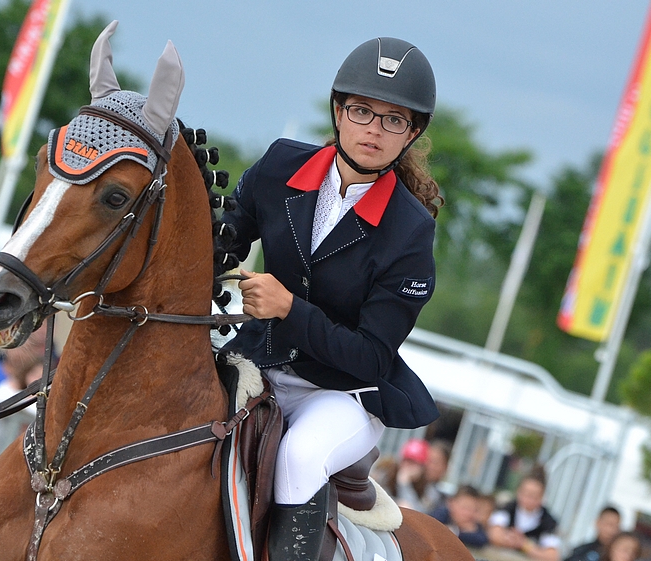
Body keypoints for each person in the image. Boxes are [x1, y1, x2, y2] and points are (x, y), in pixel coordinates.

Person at [220, 37, 441, 560]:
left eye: (394, 120)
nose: (374, 129)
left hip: (342, 394)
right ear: (339, 112)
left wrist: (290, 310)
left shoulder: (410, 233)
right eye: (363, 111)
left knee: (300, 456)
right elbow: (222, 239)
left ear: (410, 134)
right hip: (256, 358)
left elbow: (370, 357)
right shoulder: (279, 166)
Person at [487, 470, 562, 561]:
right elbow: (494, 535)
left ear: (542, 497)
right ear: (519, 491)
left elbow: (552, 556)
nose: (528, 499)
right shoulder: (507, 509)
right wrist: (510, 541)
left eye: (534, 495)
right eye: (526, 493)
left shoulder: (548, 521)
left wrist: (524, 545)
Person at [0, 356, 43, 464]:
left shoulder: (46, 401)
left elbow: (36, 411)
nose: (37, 380)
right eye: (35, 374)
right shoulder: (13, 388)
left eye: (42, 377)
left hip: (25, 458)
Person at [429, 485, 489, 549]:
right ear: (451, 503)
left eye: (474, 510)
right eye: (465, 507)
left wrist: (457, 532)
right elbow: (431, 529)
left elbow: (481, 539)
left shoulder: (474, 524)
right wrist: (456, 531)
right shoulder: (441, 513)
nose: (468, 514)